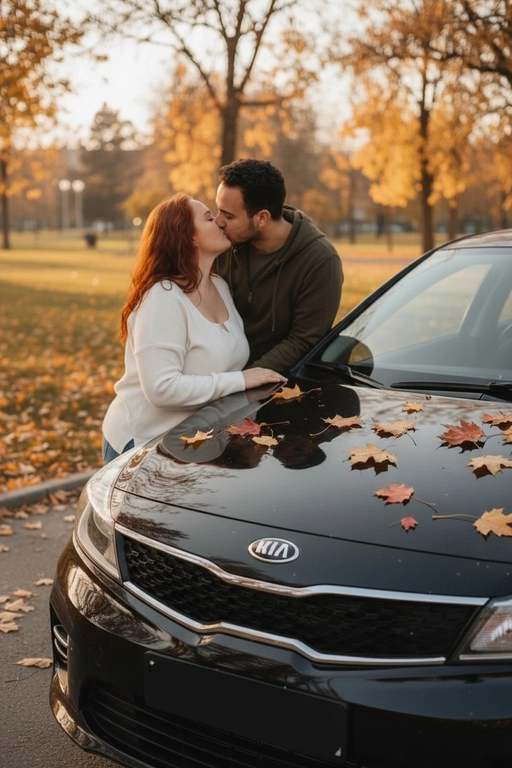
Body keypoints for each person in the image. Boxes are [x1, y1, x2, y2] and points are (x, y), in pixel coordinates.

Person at [101, 193, 287, 464]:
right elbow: (161, 389)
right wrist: (242, 379)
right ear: (188, 236)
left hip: (192, 441)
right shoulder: (163, 297)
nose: (221, 223)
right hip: (144, 443)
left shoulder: (219, 287)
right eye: (210, 218)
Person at [215, 158, 343, 374]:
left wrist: (241, 382)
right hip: (214, 376)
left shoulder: (320, 261)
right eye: (218, 210)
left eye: (228, 215)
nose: (218, 221)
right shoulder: (222, 243)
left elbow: (302, 341)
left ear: (262, 218)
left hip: (272, 384)